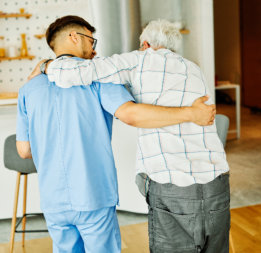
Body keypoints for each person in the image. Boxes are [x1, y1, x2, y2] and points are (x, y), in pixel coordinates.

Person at [17, 16, 215, 253]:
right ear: (74, 37)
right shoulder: (98, 79)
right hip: (93, 194)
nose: (94, 49)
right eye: (91, 40)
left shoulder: (29, 88)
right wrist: (191, 113)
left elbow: (24, 150)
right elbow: (132, 115)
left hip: (52, 200)